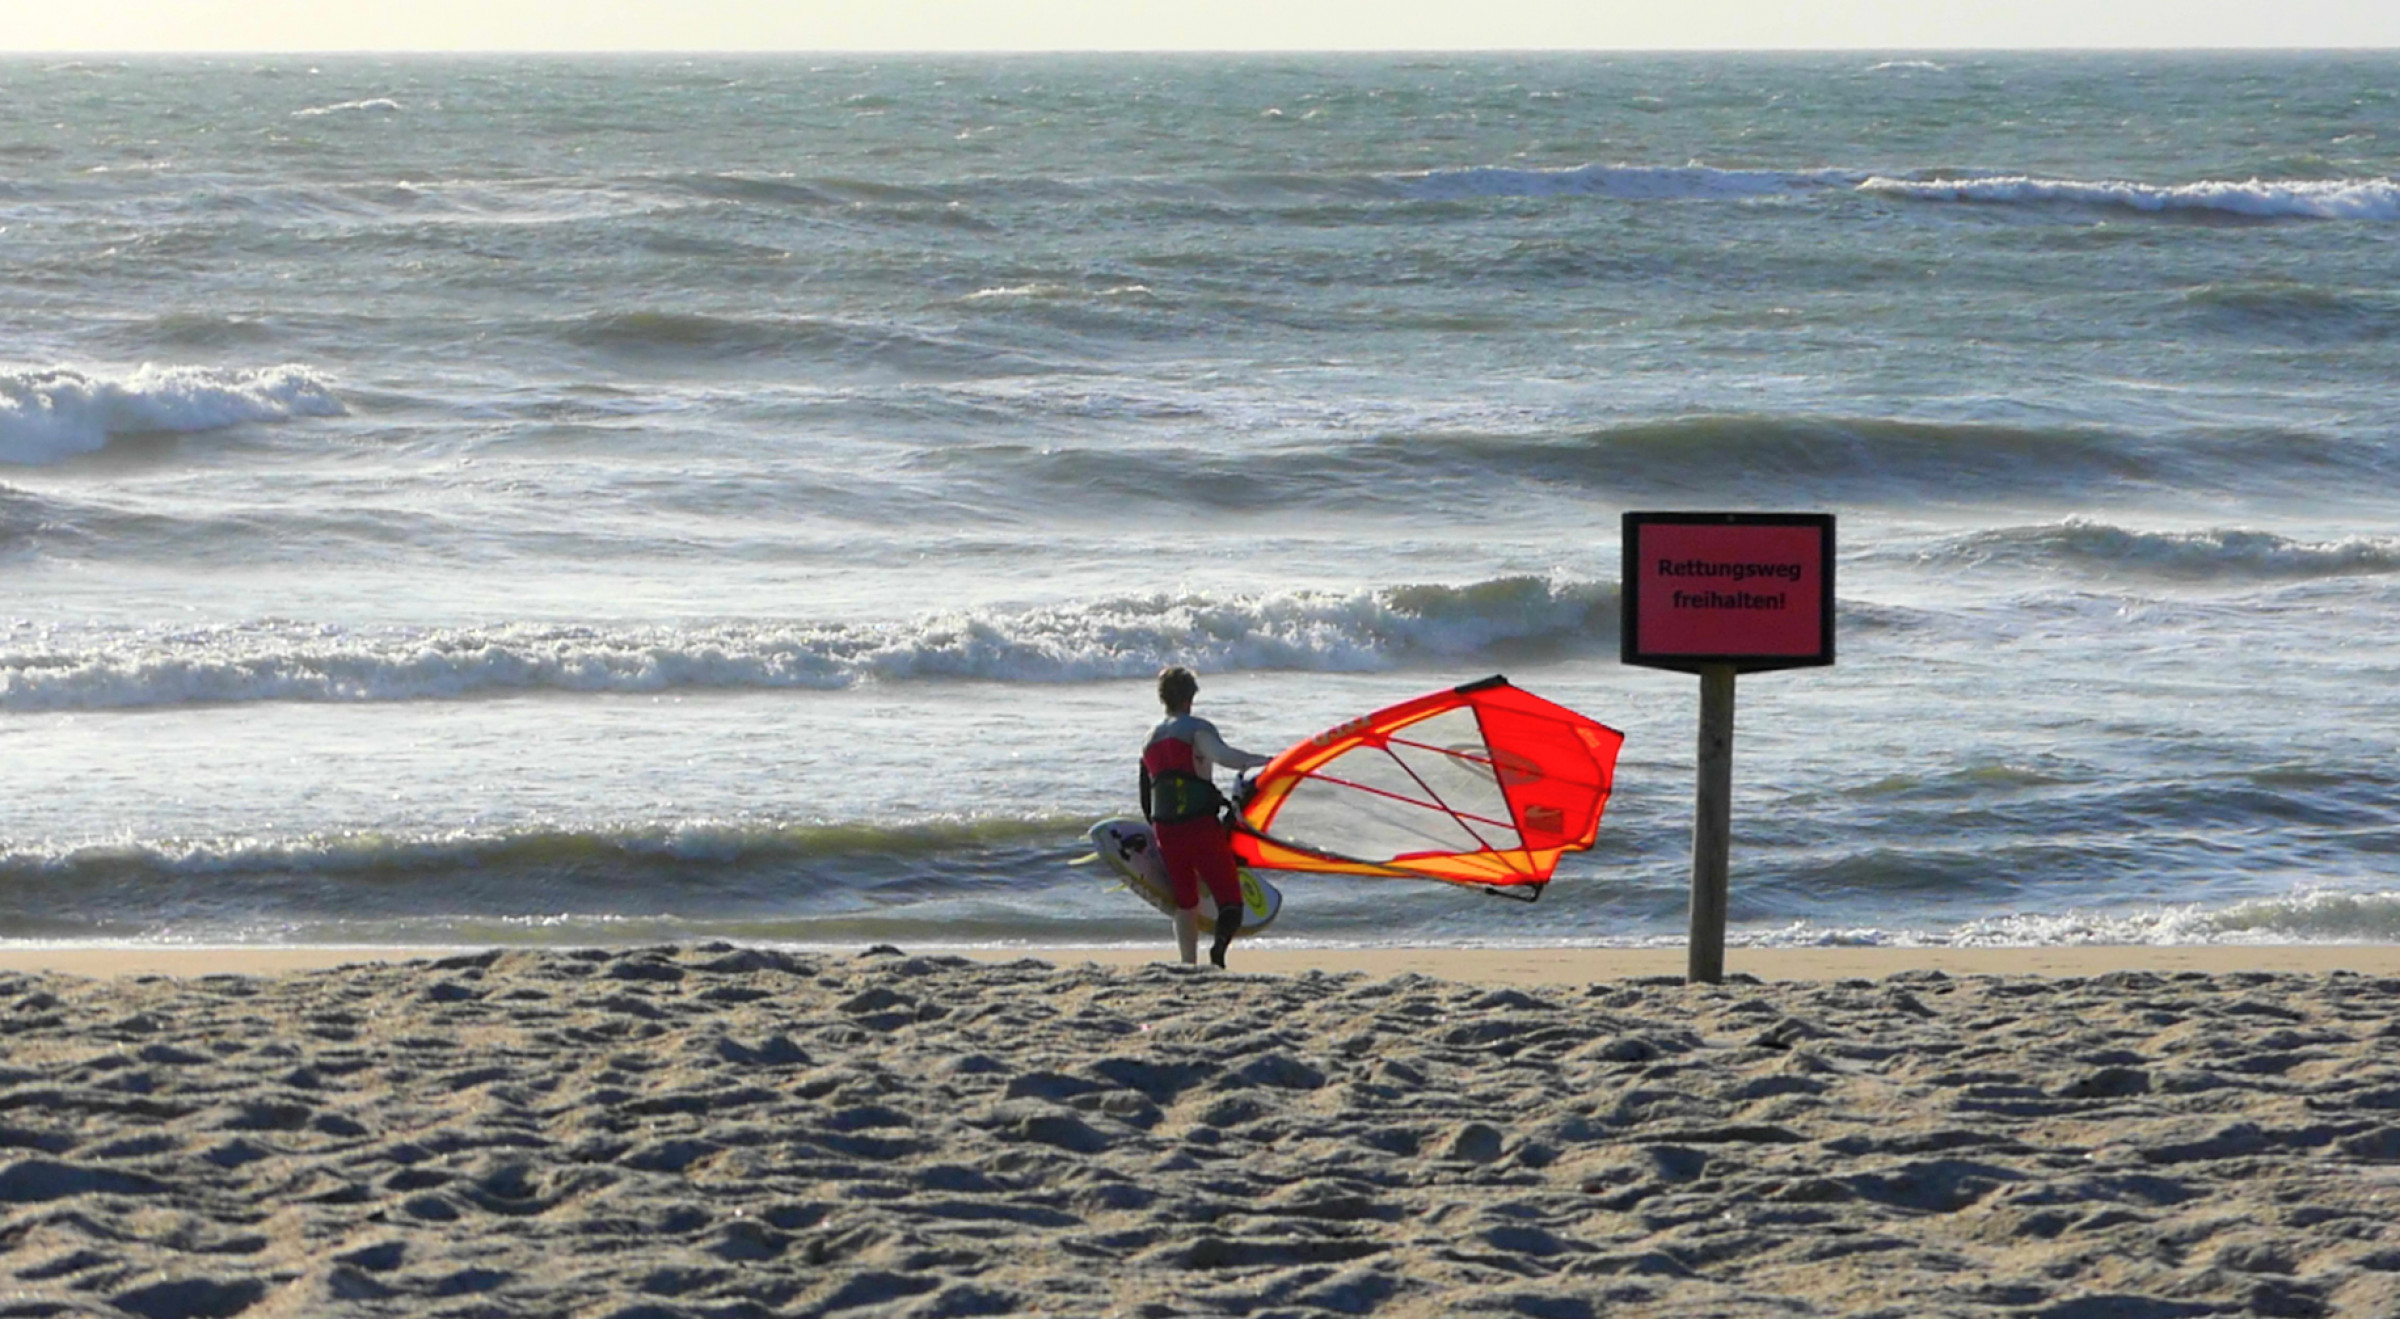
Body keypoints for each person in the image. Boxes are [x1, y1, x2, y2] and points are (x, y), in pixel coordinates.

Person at [1140, 666, 1271, 968]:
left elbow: (1147, 793)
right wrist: (1263, 761)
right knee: (1231, 901)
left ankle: (1188, 963)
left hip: (1165, 829)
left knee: (1186, 902)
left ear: (1163, 699)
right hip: (1199, 826)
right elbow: (1225, 758)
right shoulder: (1196, 728)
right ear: (1191, 697)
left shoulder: (1148, 739)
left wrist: (1157, 830)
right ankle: (1218, 956)